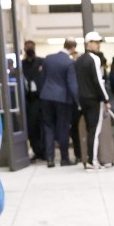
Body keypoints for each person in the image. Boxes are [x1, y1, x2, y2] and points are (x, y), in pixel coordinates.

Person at [39, 38, 79, 167]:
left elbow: (43, 78)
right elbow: (72, 84)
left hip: (46, 96)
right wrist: (78, 102)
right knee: (63, 128)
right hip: (62, 98)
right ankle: (64, 158)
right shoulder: (69, 62)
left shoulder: (48, 59)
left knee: (48, 127)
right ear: (72, 48)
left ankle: (50, 158)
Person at [76, 31, 112, 170]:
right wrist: (106, 99)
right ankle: (92, 160)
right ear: (88, 44)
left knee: (90, 129)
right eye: (96, 43)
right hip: (93, 99)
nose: (98, 45)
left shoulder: (80, 60)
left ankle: (90, 159)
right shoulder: (94, 59)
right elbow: (98, 81)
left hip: (83, 98)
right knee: (94, 130)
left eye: (99, 43)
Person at [20, 39, 45, 161]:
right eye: (27, 47)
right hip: (27, 100)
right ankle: (36, 150)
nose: (29, 49)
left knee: (42, 125)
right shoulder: (22, 64)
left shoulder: (41, 62)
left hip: (40, 98)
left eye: (31, 47)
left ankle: (43, 151)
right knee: (31, 127)